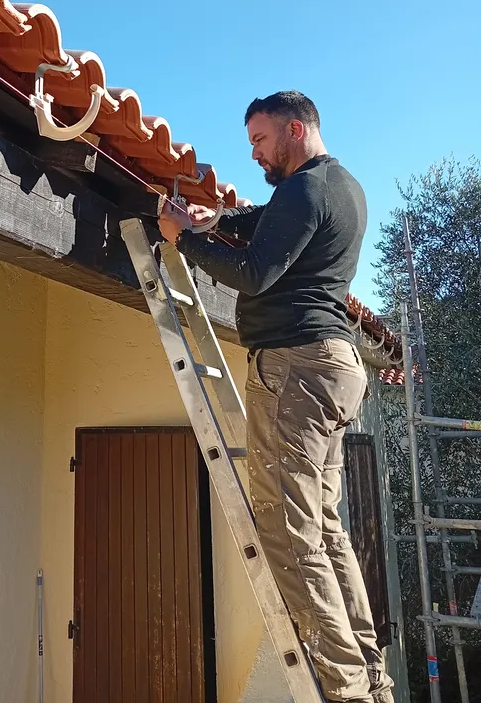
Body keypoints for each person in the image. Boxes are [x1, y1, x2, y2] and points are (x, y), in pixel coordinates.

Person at [158, 90, 394, 703]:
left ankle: (344, 690)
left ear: (295, 129)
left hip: (295, 368)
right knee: (324, 528)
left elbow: (254, 272)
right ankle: (369, 674)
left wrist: (183, 239)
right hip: (333, 368)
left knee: (288, 531)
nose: (255, 154)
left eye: (260, 140)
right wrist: (218, 221)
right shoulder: (341, 187)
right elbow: (270, 223)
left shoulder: (303, 189)